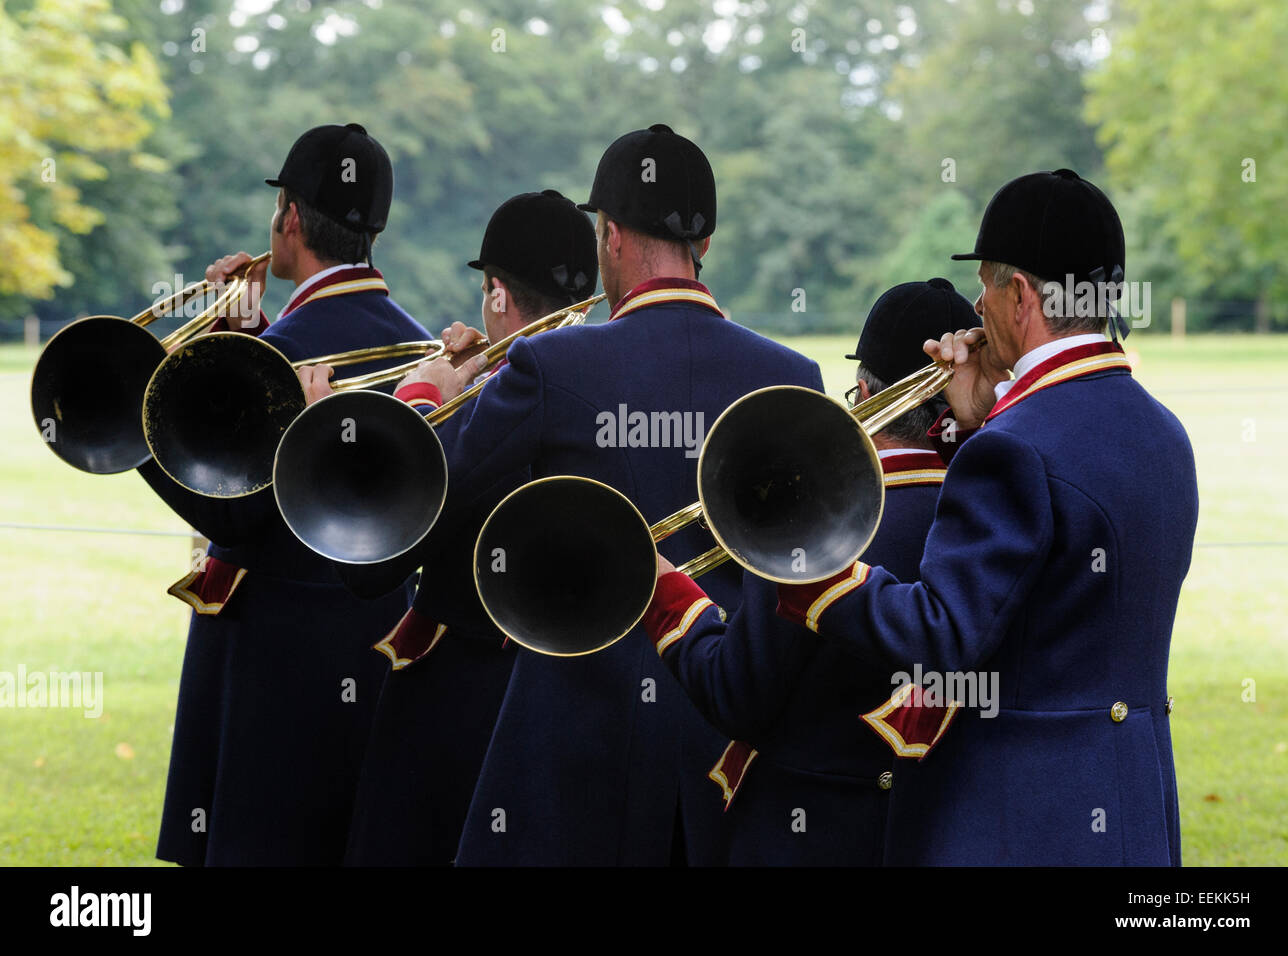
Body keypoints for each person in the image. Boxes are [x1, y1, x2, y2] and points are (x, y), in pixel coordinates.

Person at [397, 123, 824, 865]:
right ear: (705, 247)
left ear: (613, 235)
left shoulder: (547, 364)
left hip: (569, 744)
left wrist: (427, 400)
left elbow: (430, 509)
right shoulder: (792, 377)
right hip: (726, 749)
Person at [764, 169, 1196, 865]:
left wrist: (802, 565)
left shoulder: (1018, 443)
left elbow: (937, 635)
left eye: (987, 285)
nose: (975, 307)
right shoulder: (1161, 430)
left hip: (1020, 823)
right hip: (1130, 812)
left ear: (1019, 294)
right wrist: (980, 421)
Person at [138, 123, 433, 866]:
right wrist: (245, 330)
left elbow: (227, 508)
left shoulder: (275, 353)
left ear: (290, 220)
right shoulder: (425, 352)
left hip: (272, 658)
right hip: (379, 646)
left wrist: (133, 422)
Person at [641, 278, 978, 865]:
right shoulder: (989, 512)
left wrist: (665, 592)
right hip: (942, 834)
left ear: (864, 388)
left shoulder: (805, 514)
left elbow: (737, 696)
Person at [338, 189, 599, 865]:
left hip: (456, 696)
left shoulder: (481, 400)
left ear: (496, 292)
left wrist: (425, 399)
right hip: (577, 699)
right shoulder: (604, 384)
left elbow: (373, 562)